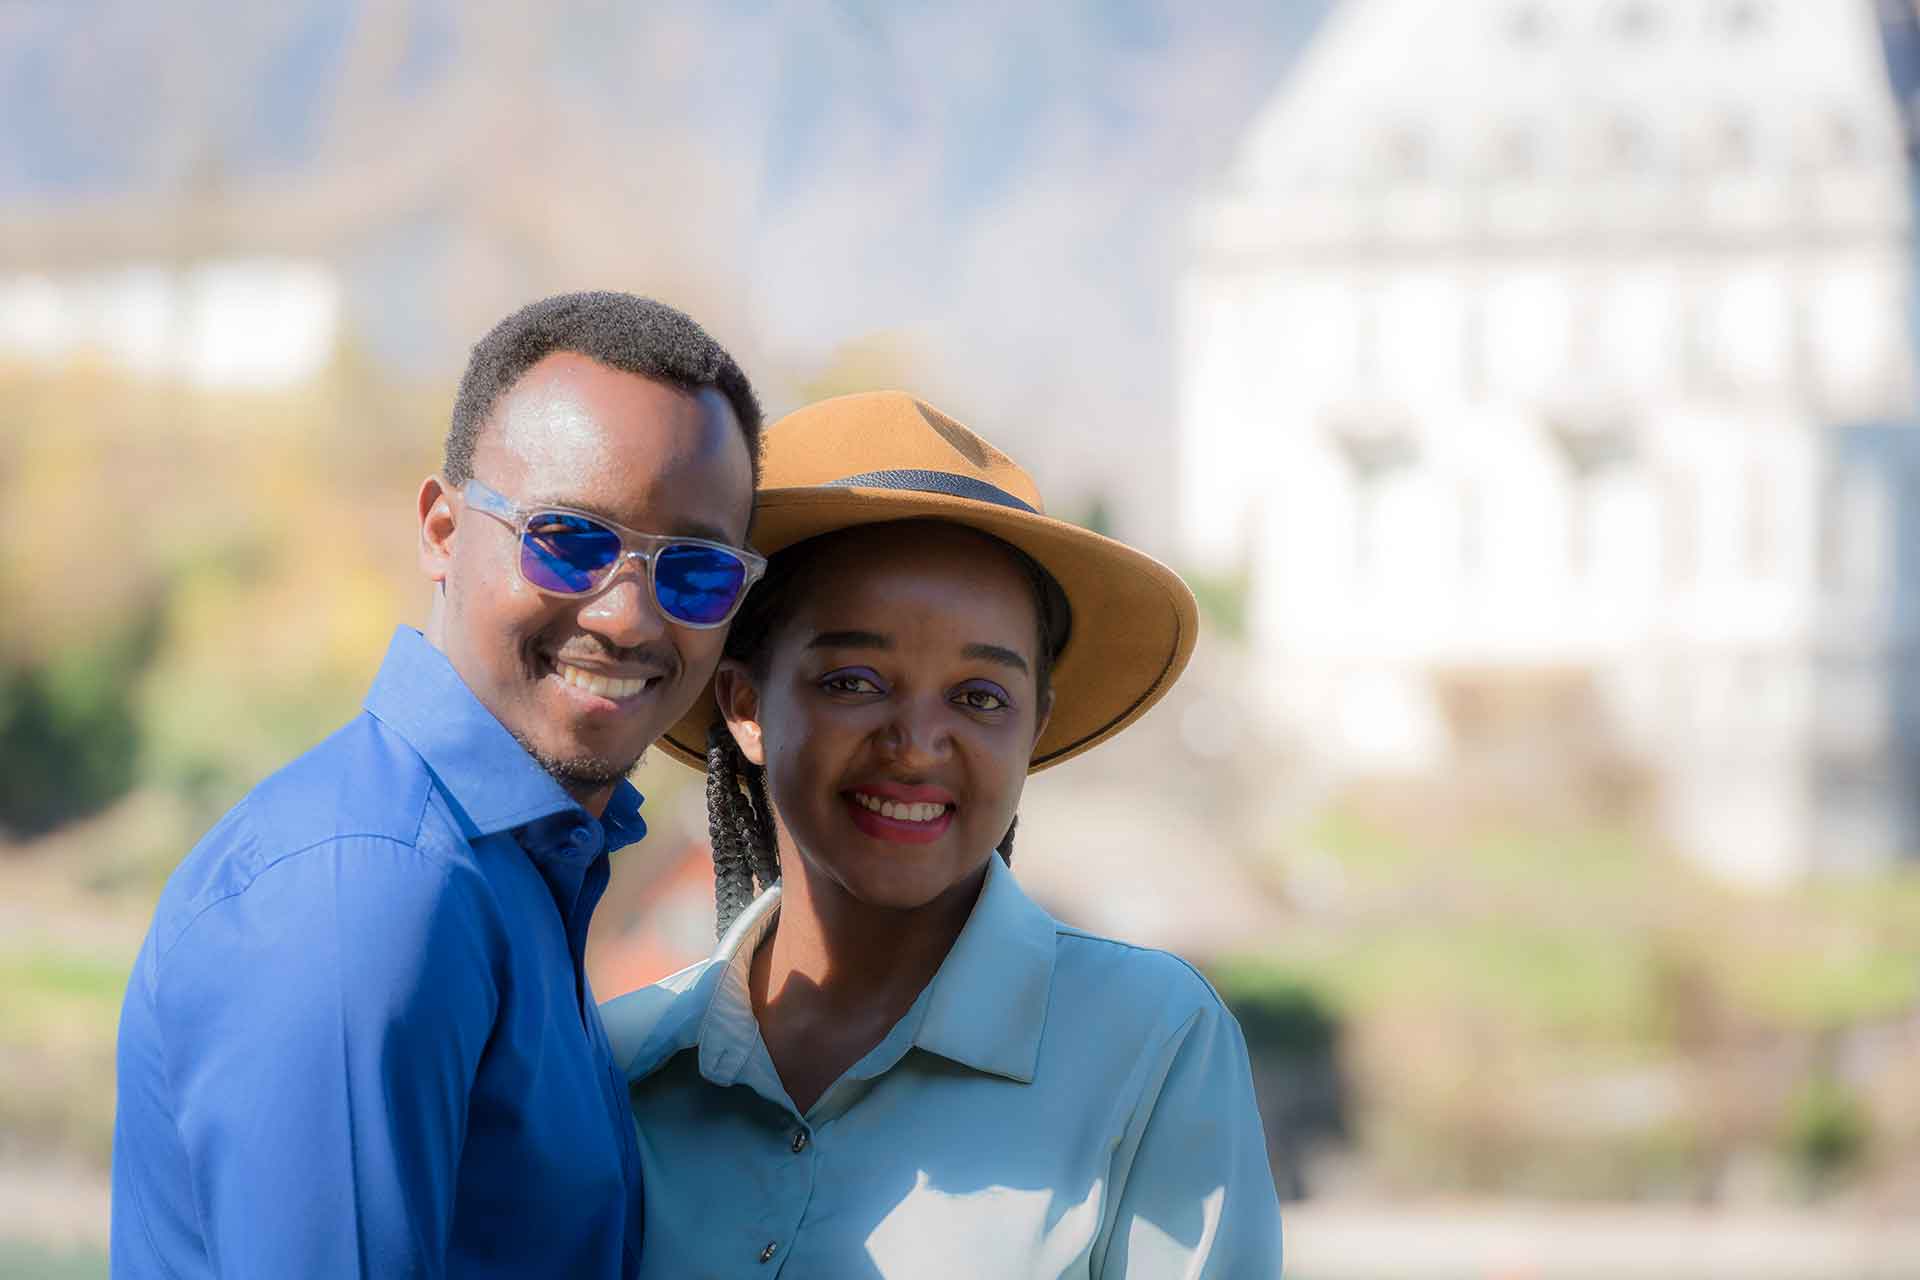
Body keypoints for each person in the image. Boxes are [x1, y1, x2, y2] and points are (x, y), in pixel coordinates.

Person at [111, 291, 765, 1278]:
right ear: (443, 528)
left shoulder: (514, 865)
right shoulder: (372, 889)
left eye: (696, 572)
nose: (628, 615)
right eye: (570, 539)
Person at [601, 391, 1283, 1278]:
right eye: (853, 680)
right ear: (744, 705)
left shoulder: (1152, 1049)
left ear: (1033, 727)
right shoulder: (621, 1071)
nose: (917, 745)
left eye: (980, 698)